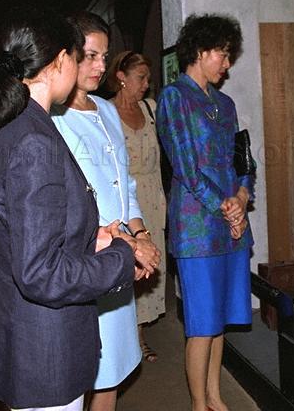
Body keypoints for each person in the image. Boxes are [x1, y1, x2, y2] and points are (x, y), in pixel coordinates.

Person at [0, 7, 156, 411]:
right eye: (78, 56)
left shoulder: (7, 124)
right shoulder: (35, 139)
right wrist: (122, 255)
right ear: (60, 60)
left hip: (25, 333)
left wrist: (93, 237)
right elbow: (41, 272)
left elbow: (25, 230)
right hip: (44, 347)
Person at [51, 12, 161, 411]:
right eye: (91, 55)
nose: (101, 66)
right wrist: (125, 243)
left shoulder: (107, 110)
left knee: (111, 370)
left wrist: (142, 236)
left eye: (105, 56)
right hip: (86, 255)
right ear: (67, 56)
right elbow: (64, 202)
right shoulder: (54, 118)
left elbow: (124, 183)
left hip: (120, 251)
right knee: (80, 371)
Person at [156, 14, 254, 411]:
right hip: (196, 225)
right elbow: (185, 166)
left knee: (219, 323)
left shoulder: (225, 103)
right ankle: (199, 404)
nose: (227, 65)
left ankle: (215, 397)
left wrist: (243, 196)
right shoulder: (174, 97)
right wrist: (224, 206)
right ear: (200, 51)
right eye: (223, 55)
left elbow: (242, 158)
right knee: (201, 324)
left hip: (232, 225)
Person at [106, 50, 168, 363]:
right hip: (126, 202)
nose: (146, 83)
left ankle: (140, 330)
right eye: (140, 78)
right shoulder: (106, 113)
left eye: (147, 77)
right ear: (121, 77)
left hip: (153, 200)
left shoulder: (151, 109)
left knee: (151, 267)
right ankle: (133, 338)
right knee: (129, 266)